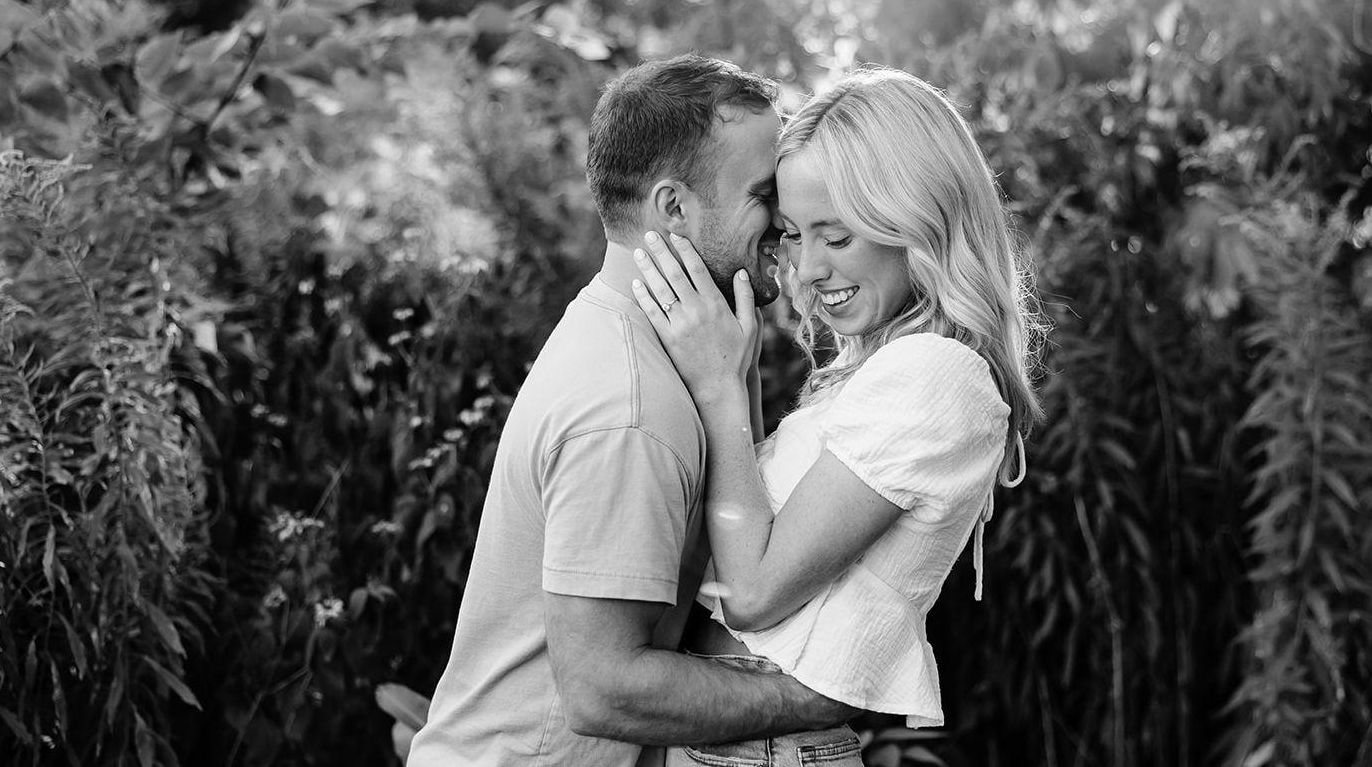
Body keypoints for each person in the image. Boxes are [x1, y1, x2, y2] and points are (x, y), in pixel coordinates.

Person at [404, 54, 857, 767]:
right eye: (765, 193)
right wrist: (814, 698)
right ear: (673, 207)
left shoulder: (646, 350)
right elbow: (602, 691)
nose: (787, 219)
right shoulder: (629, 405)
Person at [630, 67, 1046, 765]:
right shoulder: (893, 369)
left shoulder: (936, 376)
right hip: (743, 741)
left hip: (764, 749)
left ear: (918, 220)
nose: (808, 268)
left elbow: (752, 593)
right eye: (794, 234)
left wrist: (720, 387)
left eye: (838, 236)